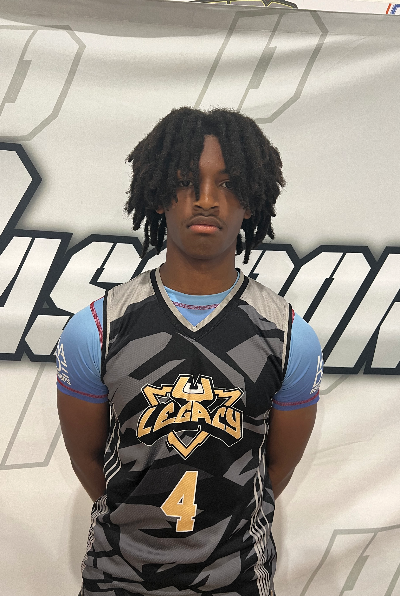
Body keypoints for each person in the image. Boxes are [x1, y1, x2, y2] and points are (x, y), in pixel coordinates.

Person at [57, 107, 323, 596]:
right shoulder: (95, 328)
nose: (206, 199)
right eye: (185, 182)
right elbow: (87, 460)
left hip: (237, 577)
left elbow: (276, 470)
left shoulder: (289, 335)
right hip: (118, 577)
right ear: (159, 195)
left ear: (251, 201)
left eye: (228, 183)